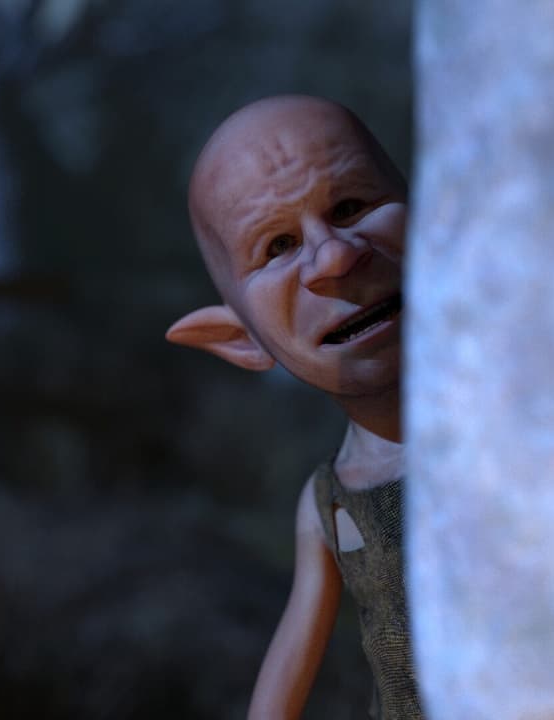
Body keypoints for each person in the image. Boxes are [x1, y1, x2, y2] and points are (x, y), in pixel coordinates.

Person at [166, 95, 422, 720]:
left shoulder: (524, 439)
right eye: (277, 245)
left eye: (351, 207)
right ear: (239, 340)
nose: (335, 256)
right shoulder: (329, 504)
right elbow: (287, 669)